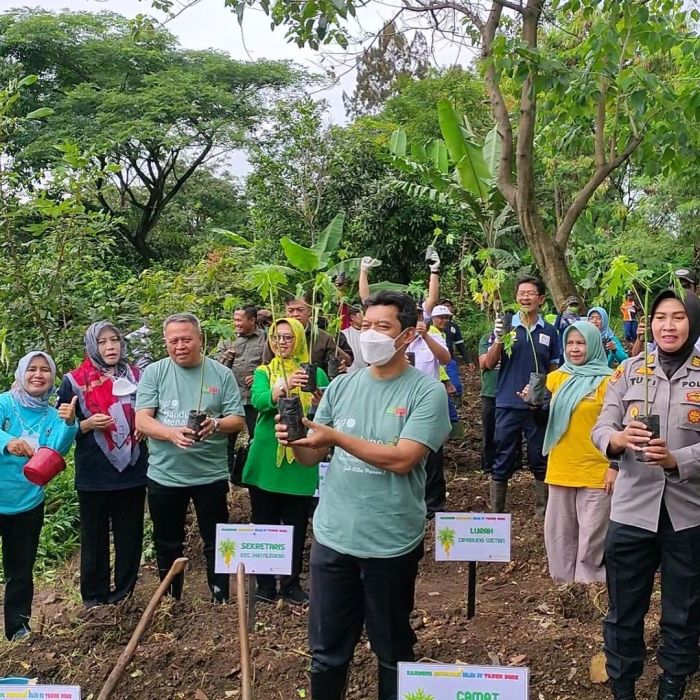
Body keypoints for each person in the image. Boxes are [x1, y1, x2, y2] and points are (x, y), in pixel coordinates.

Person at [275, 290, 450, 700]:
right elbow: (311, 457)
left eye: (382, 327)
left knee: (392, 649)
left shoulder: (426, 393)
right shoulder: (342, 386)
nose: (371, 334)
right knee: (327, 653)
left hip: (390, 542)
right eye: (365, 325)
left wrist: (336, 436)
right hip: (334, 538)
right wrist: (296, 439)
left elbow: (403, 459)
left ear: (407, 336)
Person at [592, 290, 700, 700]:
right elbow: (601, 427)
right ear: (649, 323)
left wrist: (677, 459)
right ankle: (623, 683)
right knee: (624, 607)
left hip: (687, 513)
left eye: (678, 317)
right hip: (632, 510)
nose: (668, 326)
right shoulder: (629, 370)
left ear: (693, 322)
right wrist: (617, 440)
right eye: (659, 317)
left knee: (684, 609)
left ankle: (673, 682)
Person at [135, 313, 246, 603]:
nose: (180, 346)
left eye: (186, 339)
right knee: (167, 541)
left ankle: (220, 596)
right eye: (173, 341)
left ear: (200, 339)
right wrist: (170, 433)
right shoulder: (155, 372)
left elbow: (238, 419)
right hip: (164, 474)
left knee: (218, 540)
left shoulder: (220, 373)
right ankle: (170, 599)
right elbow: (142, 420)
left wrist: (217, 424)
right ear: (165, 342)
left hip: (209, 474)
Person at [58, 322, 148, 608]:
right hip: (94, 472)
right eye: (102, 342)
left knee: (130, 535)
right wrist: (85, 423)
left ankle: (124, 594)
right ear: (91, 346)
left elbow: (151, 410)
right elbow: (62, 429)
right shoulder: (74, 381)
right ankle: (94, 599)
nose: (110, 347)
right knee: (94, 538)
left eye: (115, 340)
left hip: (133, 470)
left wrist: (146, 425)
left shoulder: (138, 376)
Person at [243, 318, 328, 605]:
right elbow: (259, 401)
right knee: (264, 522)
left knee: (295, 525)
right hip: (267, 457)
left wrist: (318, 399)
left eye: (289, 337)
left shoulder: (314, 373)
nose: (282, 343)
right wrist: (283, 387)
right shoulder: (264, 371)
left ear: (300, 340)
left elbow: (326, 410)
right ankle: (264, 585)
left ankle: (291, 584)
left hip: (301, 459)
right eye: (277, 337)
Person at [0, 352, 77, 640]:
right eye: (32, 369)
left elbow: (57, 451)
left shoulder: (52, 414)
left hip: (27, 503)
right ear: (21, 373)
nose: (38, 375)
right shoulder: (4, 403)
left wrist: (69, 424)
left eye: (45, 370)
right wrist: (8, 443)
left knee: (20, 571)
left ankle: (18, 629)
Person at [538, 321, 616, 583]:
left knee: (592, 535)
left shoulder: (610, 381)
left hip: (596, 468)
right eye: (570, 343)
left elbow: (619, 425)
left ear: (593, 345)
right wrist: (533, 403)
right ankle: (562, 586)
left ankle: (589, 587)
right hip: (561, 467)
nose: (574, 349)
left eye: (581, 343)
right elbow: (542, 419)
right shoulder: (556, 378)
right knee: (558, 532)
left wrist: (614, 466)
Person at [484, 276, 560, 516]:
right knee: (503, 455)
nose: (525, 297)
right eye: (521, 293)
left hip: (536, 405)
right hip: (507, 402)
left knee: (538, 456)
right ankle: (497, 511)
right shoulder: (505, 325)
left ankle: (542, 512)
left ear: (541, 299)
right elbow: (488, 363)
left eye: (530, 293)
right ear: (516, 298)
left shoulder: (549, 331)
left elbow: (554, 369)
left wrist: (545, 392)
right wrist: (498, 339)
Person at [407, 304, 451, 516]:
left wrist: (425, 337)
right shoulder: (398, 337)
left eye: (418, 316)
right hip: (402, 403)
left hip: (428, 402)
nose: (416, 320)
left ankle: (433, 506)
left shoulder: (433, 336)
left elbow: (445, 359)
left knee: (432, 455)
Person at [215, 305, 267, 482]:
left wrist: (259, 375)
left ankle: (254, 476)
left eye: (239, 320)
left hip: (254, 398)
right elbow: (216, 367)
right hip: (231, 397)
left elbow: (271, 364)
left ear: (252, 320)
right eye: (234, 319)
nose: (235, 323)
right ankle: (226, 477)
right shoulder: (227, 339)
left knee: (257, 437)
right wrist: (225, 358)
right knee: (226, 440)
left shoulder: (265, 339)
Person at [262, 295, 353, 374]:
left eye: (300, 310)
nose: (295, 314)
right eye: (290, 310)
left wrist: (338, 367)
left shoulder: (323, 338)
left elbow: (338, 366)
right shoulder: (275, 336)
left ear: (310, 311)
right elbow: (267, 365)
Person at [340, 306, 367, 373]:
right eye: (361, 315)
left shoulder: (368, 332)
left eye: (365, 315)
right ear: (352, 317)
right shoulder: (344, 334)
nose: (364, 318)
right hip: (350, 372)